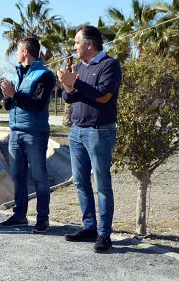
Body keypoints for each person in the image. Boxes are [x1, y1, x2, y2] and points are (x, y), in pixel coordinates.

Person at [57, 25, 122, 253]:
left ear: (89, 44)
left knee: (102, 185)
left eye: (77, 42)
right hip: (77, 131)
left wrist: (74, 82)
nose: (74, 46)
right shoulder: (81, 67)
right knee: (80, 182)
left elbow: (103, 95)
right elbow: (69, 98)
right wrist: (67, 82)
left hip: (99, 132)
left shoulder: (109, 65)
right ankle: (89, 227)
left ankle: (104, 234)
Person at [0, 37, 56, 233]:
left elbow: (36, 104)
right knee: (18, 175)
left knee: (39, 176)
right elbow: (10, 105)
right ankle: (19, 215)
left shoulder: (45, 75)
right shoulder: (16, 75)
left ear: (25, 52)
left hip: (35, 133)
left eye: (18, 50)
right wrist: (7, 96)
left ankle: (42, 219)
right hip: (15, 132)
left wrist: (14, 95)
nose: (16, 53)